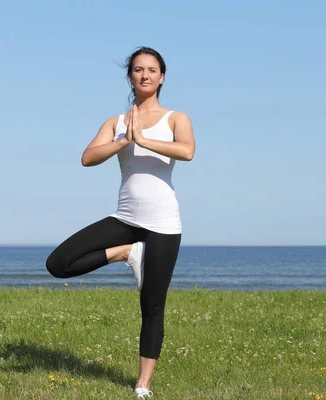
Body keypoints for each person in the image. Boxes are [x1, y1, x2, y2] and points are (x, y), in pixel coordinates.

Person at [45, 46, 195, 398]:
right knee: (58, 263)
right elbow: (87, 157)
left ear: (162, 77)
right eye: (138, 69)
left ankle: (142, 385)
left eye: (152, 70)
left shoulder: (176, 118)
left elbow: (187, 151)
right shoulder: (116, 122)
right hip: (125, 218)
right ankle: (124, 253)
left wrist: (144, 139)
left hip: (163, 223)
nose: (145, 75)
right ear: (130, 75)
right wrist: (125, 139)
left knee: (153, 305)